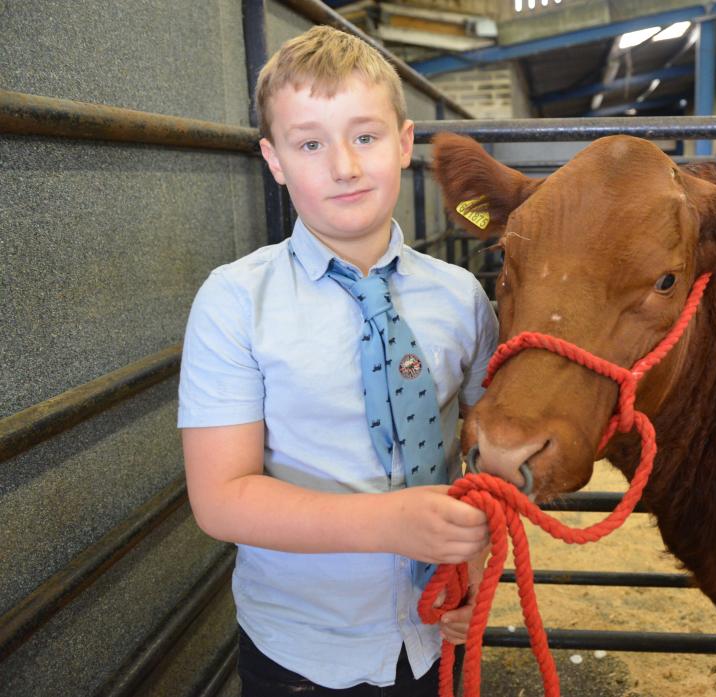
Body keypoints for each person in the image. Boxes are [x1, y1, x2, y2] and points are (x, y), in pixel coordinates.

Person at [178, 25, 498, 696]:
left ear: (405, 143)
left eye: (366, 136)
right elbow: (220, 498)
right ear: (274, 160)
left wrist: (476, 562)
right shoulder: (235, 302)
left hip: (436, 635)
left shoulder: (462, 298)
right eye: (310, 143)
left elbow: (485, 449)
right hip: (302, 651)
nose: (344, 167)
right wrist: (389, 522)